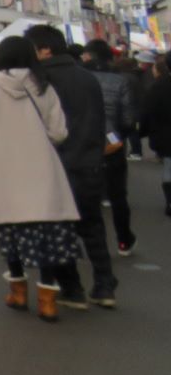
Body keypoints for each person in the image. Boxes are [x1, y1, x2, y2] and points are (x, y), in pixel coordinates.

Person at [0, 36, 77, 323]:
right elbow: (59, 131)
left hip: (5, 169)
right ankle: (48, 302)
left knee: (11, 232)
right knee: (44, 236)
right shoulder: (42, 83)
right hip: (42, 168)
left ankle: (18, 293)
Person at [26, 24, 116, 309]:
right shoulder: (87, 77)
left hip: (54, 164)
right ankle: (104, 286)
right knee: (92, 227)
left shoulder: (39, 79)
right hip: (89, 162)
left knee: (55, 231)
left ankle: (72, 288)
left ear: (45, 50)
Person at [84, 39, 137, 255]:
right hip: (113, 143)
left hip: (85, 143)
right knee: (118, 196)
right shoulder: (120, 81)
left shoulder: (81, 79)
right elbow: (128, 118)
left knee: (88, 195)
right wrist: (119, 137)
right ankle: (124, 240)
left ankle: (95, 244)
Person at [145, 56, 171, 216]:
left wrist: (146, 132)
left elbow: (150, 111)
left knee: (169, 168)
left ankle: (170, 201)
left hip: (167, 135)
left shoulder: (159, 85)